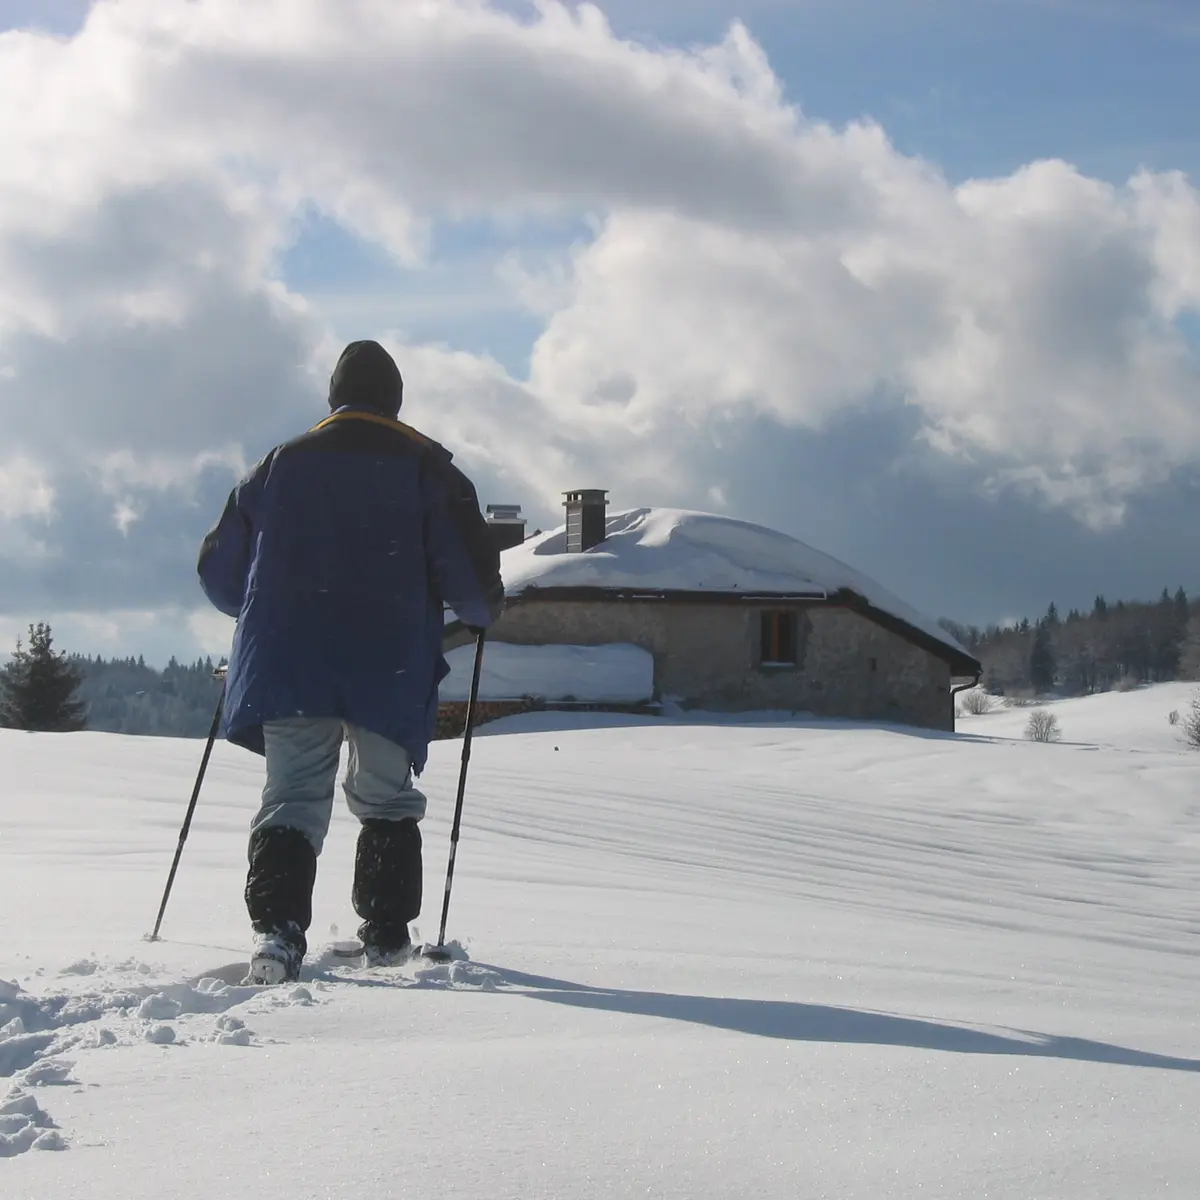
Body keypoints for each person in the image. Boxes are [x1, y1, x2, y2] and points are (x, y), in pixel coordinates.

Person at [197, 340, 503, 984]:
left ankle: (277, 936)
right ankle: (388, 936)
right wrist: (478, 611)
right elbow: (471, 585)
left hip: (289, 657)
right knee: (386, 794)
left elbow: (222, 576)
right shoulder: (428, 469)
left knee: (292, 796)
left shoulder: (277, 466)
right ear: (395, 401)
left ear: (334, 398)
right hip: (386, 661)